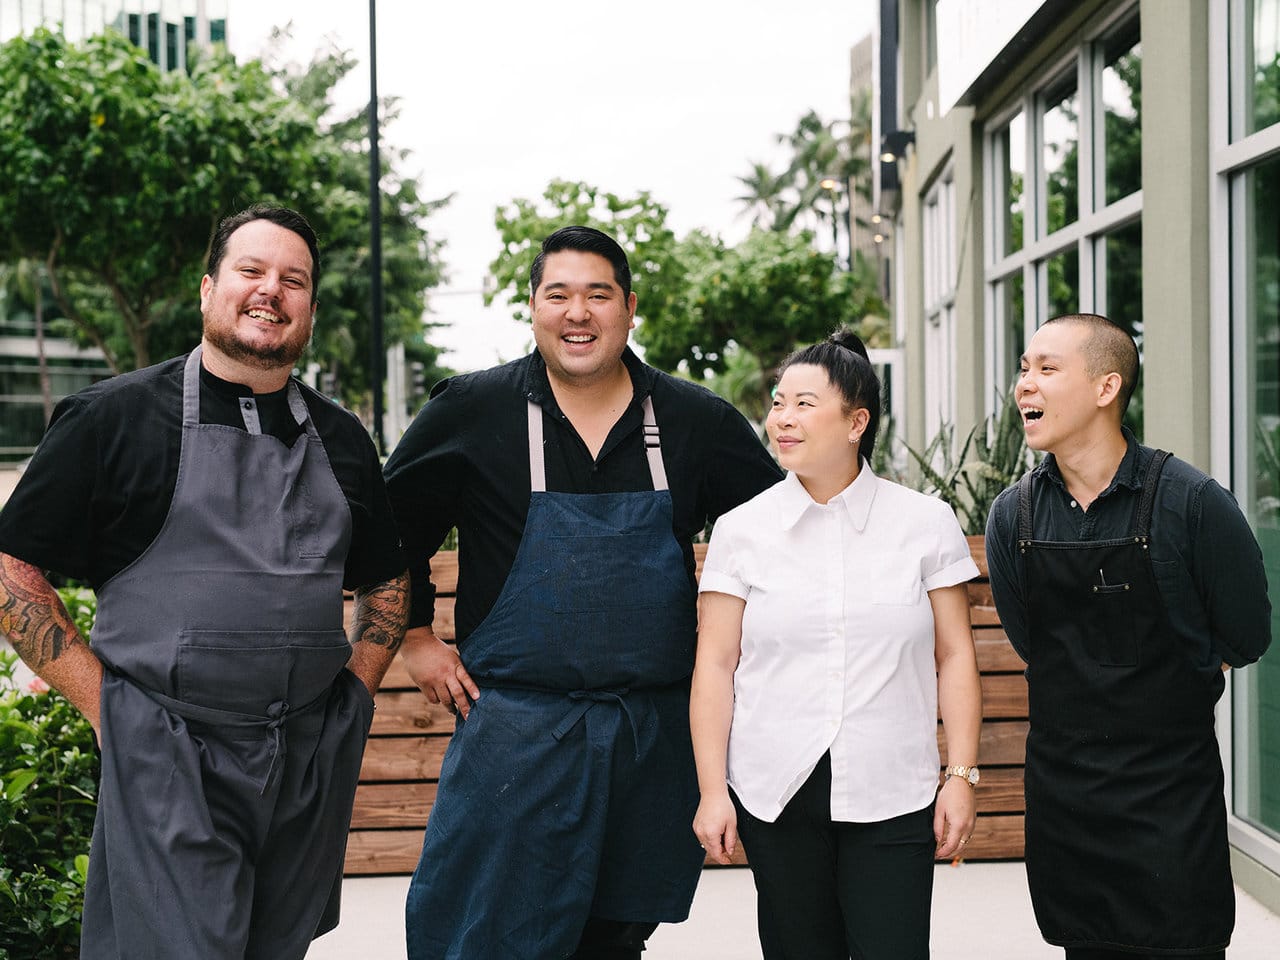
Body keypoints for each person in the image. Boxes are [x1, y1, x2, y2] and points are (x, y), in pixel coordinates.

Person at [0, 205, 409, 960]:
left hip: (305, 760)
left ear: (310, 308)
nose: (271, 292)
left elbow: (386, 581)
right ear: (207, 288)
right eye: (252, 271)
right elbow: (9, 564)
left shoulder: (343, 438)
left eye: (294, 280)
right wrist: (109, 712)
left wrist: (352, 697)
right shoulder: (110, 419)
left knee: (276, 947)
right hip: (169, 754)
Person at [382, 225, 783, 960]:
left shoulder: (695, 421)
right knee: (484, 938)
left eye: (598, 295)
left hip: (649, 742)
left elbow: (785, 538)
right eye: (558, 294)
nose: (578, 313)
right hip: (518, 737)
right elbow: (389, 530)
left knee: (614, 939)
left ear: (629, 309)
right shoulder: (474, 410)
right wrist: (413, 636)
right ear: (532, 307)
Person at [985, 313, 1272, 960]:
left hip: (1169, 803)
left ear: (1106, 387)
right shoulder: (1014, 515)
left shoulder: (1193, 503)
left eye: (1047, 368)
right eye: (1024, 368)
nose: (1025, 384)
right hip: (1065, 805)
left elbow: (1246, 635)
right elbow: (1030, 640)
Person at [690, 329, 983, 960]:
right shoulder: (742, 530)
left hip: (893, 788)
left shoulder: (924, 522)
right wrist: (714, 790)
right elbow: (715, 665)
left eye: (804, 404)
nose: (783, 419)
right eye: (777, 402)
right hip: (777, 789)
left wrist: (960, 776)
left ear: (856, 422)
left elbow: (954, 654)